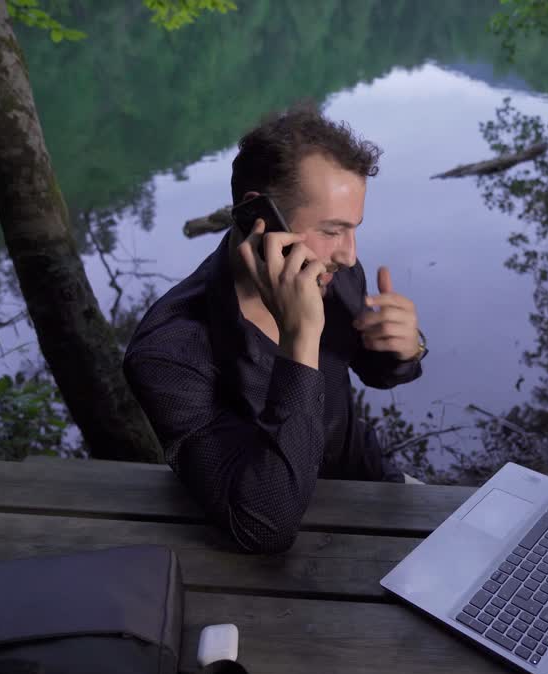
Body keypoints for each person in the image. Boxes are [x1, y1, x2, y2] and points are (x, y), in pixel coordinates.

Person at [123, 104, 428, 554]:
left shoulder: (332, 273)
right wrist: (299, 340)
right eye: (332, 230)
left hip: (372, 487)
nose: (348, 254)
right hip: (285, 545)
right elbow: (263, 526)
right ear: (256, 215)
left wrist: (407, 348)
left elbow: (370, 367)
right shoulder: (168, 353)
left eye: (353, 229)